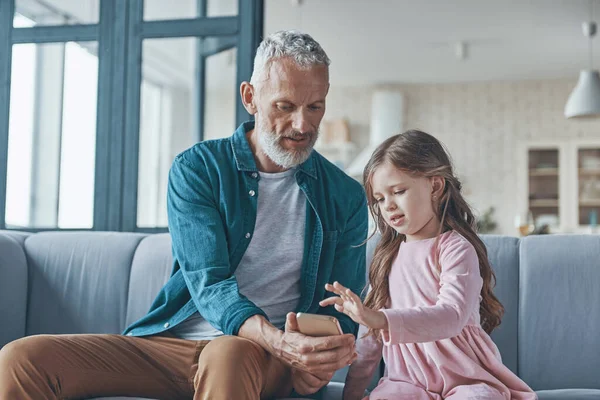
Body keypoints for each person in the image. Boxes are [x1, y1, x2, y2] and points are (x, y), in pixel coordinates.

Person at [0, 30, 367, 400]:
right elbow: (209, 282)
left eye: (315, 107)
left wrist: (316, 364)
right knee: (24, 357)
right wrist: (279, 340)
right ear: (250, 98)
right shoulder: (199, 168)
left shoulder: (345, 196)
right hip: (172, 345)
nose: (303, 125)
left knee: (230, 352)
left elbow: (344, 312)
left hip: (262, 357)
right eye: (285, 106)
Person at [320, 130, 537, 399]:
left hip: (466, 380)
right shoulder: (387, 256)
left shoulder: (455, 248)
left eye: (398, 191)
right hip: (405, 383)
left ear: (435, 186)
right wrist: (351, 395)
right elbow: (368, 346)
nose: (388, 206)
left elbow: (451, 316)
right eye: (379, 198)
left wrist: (380, 319)